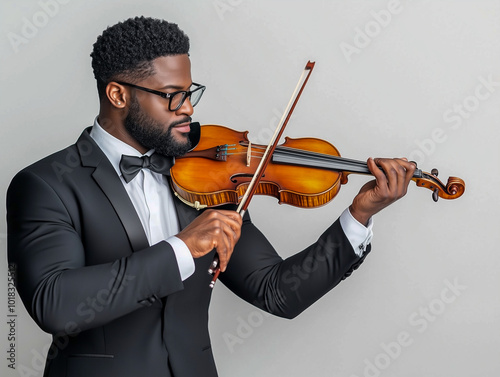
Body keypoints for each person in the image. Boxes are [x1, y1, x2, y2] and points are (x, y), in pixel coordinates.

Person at [7, 16, 416, 377]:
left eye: (190, 92)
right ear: (118, 95)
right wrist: (181, 248)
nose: (187, 109)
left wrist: (359, 216)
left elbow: (278, 291)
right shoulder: (46, 184)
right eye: (172, 96)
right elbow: (55, 304)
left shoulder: (205, 178)